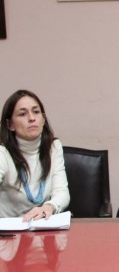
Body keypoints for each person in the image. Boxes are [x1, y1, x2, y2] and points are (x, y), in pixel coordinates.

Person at [0, 90, 69, 220]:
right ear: (10, 125)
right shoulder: (3, 152)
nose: (32, 118)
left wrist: (49, 207)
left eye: (36, 112)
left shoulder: (53, 147)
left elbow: (62, 191)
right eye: (22, 114)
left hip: (41, 228)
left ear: (43, 119)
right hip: (8, 232)